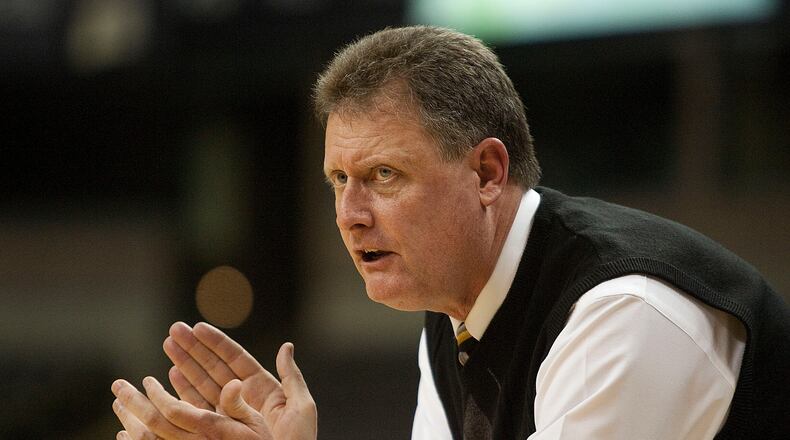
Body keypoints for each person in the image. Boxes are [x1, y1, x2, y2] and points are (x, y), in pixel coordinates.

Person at [111, 25, 790, 440]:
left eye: (382, 175)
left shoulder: (623, 313)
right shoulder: (456, 316)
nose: (350, 213)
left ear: (488, 171)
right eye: (338, 181)